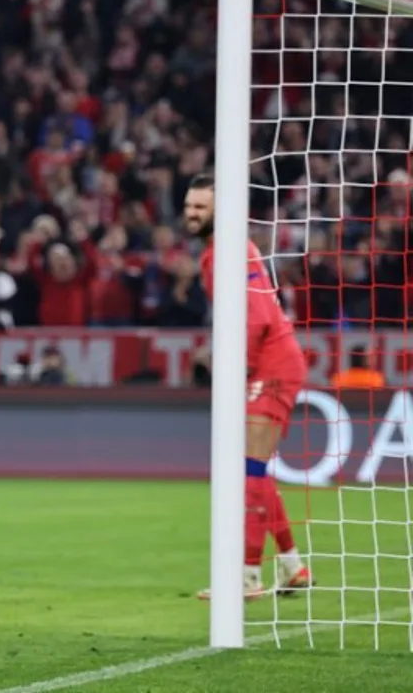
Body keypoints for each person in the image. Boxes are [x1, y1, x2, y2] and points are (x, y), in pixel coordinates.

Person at [184, 174, 313, 600]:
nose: (191, 213)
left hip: (271, 365)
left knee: (248, 472)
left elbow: (256, 316)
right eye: (189, 205)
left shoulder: (229, 251)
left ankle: (246, 577)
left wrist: (233, 367)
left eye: (200, 206)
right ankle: (292, 566)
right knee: (253, 469)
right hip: (270, 362)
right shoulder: (227, 250)